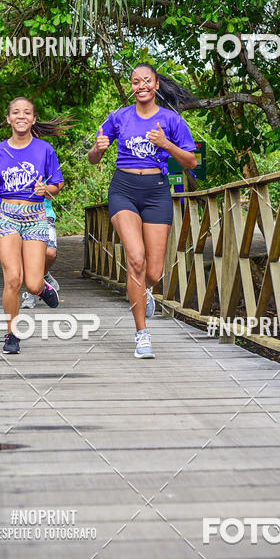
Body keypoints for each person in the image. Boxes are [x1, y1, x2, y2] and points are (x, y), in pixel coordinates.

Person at [88, 64, 197, 359]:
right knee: (135, 259)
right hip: (123, 188)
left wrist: (165, 144)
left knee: (154, 271)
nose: (141, 85)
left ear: (157, 85)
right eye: (136, 82)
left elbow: (191, 162)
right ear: (132, 87)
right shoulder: (119, 117)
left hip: (156, 191)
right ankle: (142, 334)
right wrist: (97, 149)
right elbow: (94, 159)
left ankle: (144, 290)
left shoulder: (171, 120)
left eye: (147, 80)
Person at [0, 97, 65, 354]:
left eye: (27, 112)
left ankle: (43, 288)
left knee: (33, 284)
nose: (21, 116)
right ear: (8, 119)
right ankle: (11, 334)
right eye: (16, 112)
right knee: (13, 278)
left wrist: (45, 189)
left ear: (34, 119)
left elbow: (57, 186)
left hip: (36, 216)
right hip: (6, 215)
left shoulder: (45, 150)